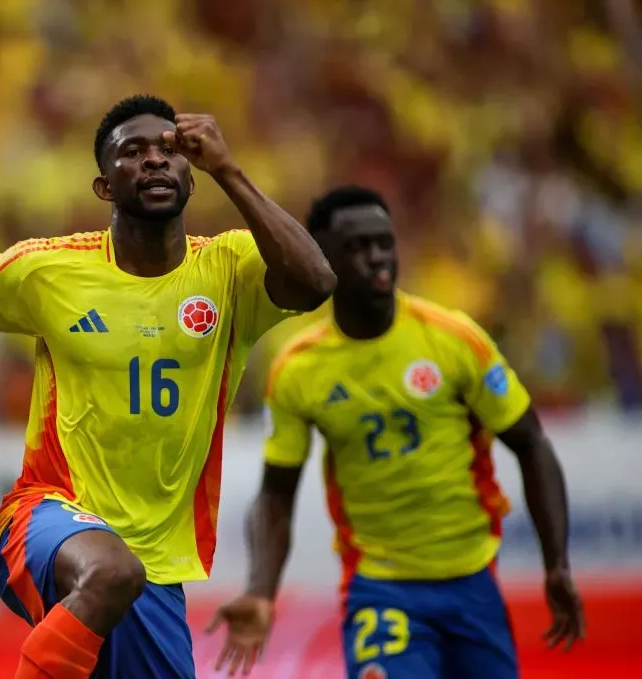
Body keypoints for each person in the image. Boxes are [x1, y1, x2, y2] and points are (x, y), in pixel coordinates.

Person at [0, 94, 337, 679]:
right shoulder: (48, 269)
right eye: (133, 152)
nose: (155, 161)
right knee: (112, 572)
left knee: (123, 575)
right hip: (45, 517)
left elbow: (316, 282)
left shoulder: (231, 270)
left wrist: (228, 169)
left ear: (190, 177)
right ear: (105, 187)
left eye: (169, 151)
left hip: (156, 566)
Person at [208, 185, 586, 678]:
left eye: (384, 243)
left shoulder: (453, 338)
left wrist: (556, 562)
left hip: (472, 580)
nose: (378, 257)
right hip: (379, 588)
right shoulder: (299, 369)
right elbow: (276, 495)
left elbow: (532, 444)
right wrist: (261, 589)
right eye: (358, 247)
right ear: (322, 258)